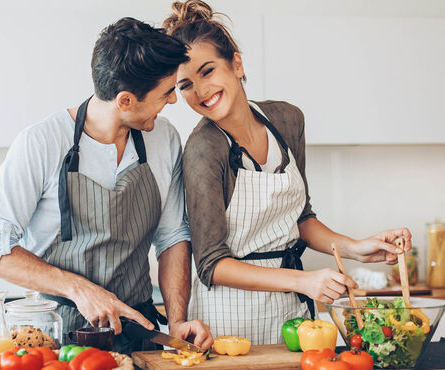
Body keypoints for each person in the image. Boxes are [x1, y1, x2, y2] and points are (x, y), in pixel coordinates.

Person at [162, 0, 413, 344]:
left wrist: (355, 248)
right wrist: (303, 281)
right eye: (185, 85)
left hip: (293, 314)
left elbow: (300, 219)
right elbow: (211, 264)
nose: (200, 92)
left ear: (235, 62)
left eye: (207, 71)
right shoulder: (204, 149)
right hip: (230, 321)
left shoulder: (287, 120)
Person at [0, 17, 213, 354]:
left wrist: (176, 322)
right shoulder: (41, 143)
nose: (172, 101)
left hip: (138, 334)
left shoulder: (164, 138)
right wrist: (80, 289)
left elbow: (172, 237)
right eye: (165, 93)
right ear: (125, 100)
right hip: (57, 339)